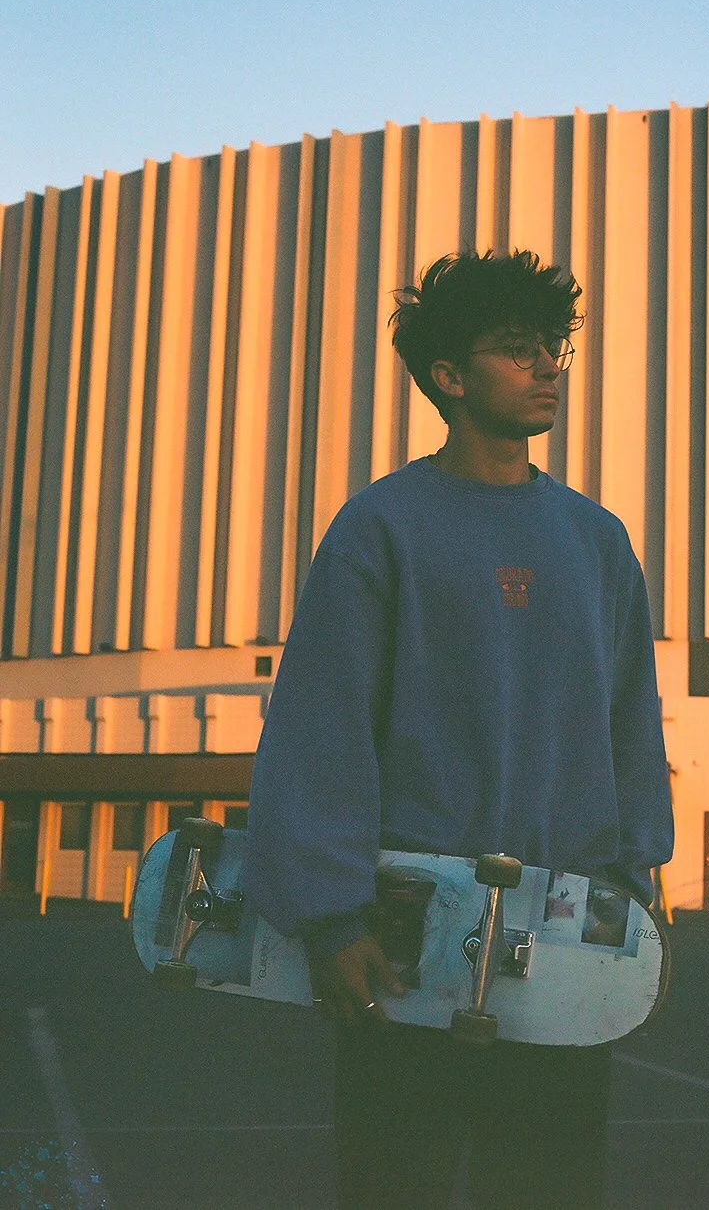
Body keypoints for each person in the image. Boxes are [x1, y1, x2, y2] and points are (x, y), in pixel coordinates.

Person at [246, 249, 674, 1208]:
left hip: (564, 935)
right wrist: (329, 916)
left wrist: (637, 884)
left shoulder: (595, 540)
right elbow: (322, 725)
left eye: (552, 347)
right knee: (396, 1184)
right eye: (518, 350)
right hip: (404, 935)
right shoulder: (381, 527)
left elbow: (630, 722)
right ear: (449, 376)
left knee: (550, 1188)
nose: (549, 367)